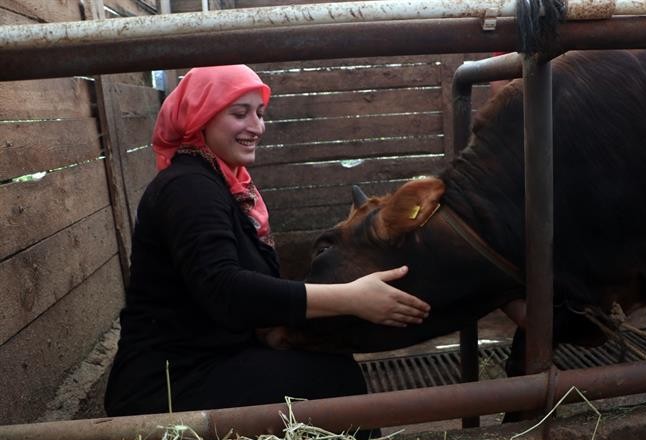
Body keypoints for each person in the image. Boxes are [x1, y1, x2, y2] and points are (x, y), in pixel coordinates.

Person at [104, 65, 430, 417]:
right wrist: (352, 298)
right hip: (167, 383)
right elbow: (224, 289)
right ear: (202, 115)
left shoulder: (223, 185)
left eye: (259, 114)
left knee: (327, 365)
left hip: (208, 356)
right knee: (335, 381)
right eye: (239, 113)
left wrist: (273, 330)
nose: (256, 127)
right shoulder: (189, 187)